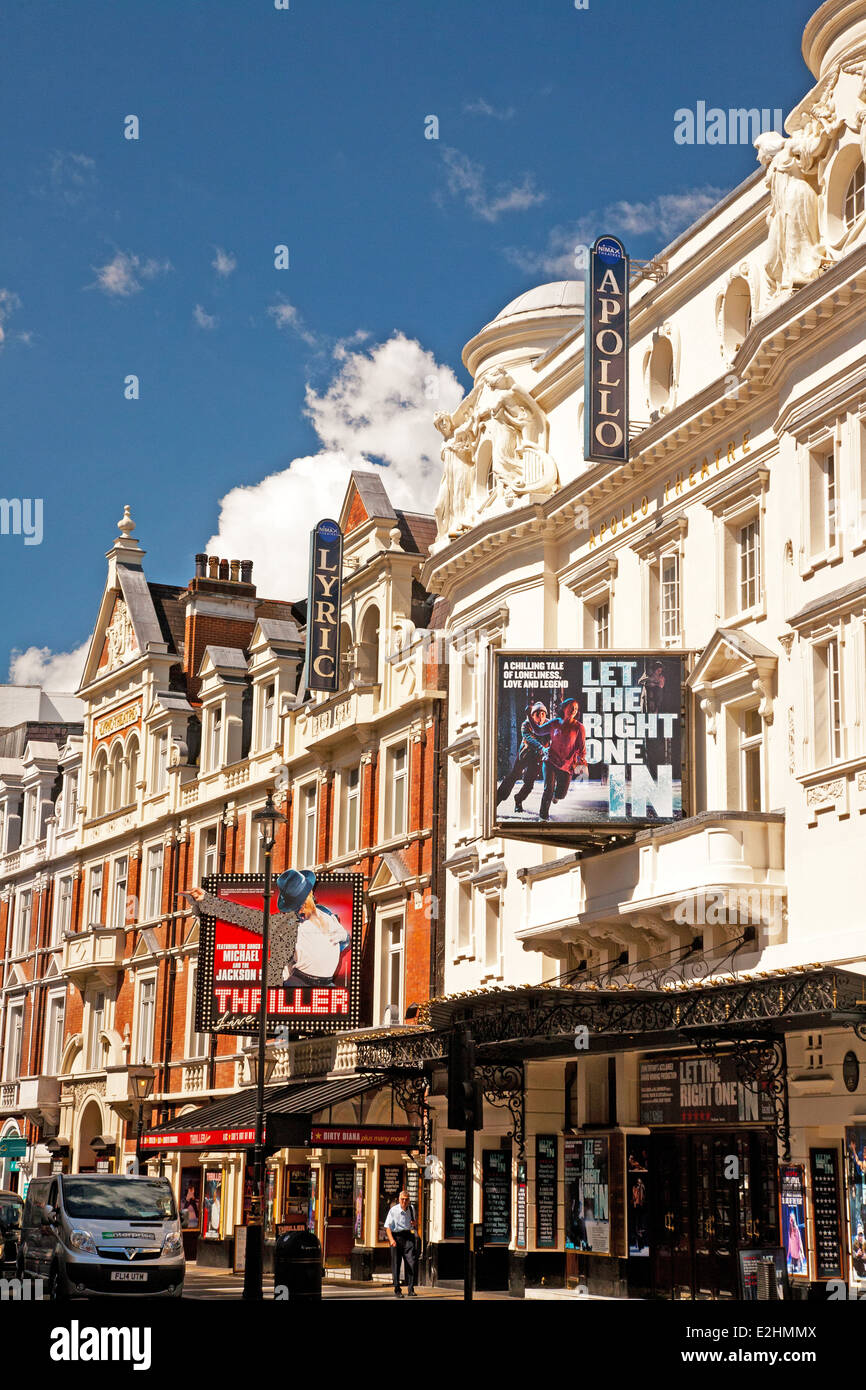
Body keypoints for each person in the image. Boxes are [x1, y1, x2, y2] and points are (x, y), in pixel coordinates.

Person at [535, 698, 588, 821]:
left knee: (561, 794)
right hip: (550, 761)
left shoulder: (579, 727)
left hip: (566, 765)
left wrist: (581, 766)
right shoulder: (554, 723)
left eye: (576, 708)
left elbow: (582, 749)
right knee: (548, 790)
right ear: (564, 708)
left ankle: (556, 796)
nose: (574, 710)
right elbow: (538, 731)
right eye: (571, 707)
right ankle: (543, 817)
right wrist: (528, 715)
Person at [496, 701, 551, 812]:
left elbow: (554, 737)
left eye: (543, 714)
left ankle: (519, 799)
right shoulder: (526, 724)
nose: (540, 717)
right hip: (525, 755)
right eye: (537, 714)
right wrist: (542, 748)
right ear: (532, 715)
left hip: (537, 758)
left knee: (529, 783)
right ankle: (497, 799)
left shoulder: (549, 724)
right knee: (513, 776)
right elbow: (530, 739)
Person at [384, 1189, 418, 1297]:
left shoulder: (412, 1209)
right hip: (396, 1238)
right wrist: (392, 1240)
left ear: (409, 1200)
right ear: (399, 1200)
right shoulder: (393, 1210)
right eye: (402, 1199)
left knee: (411, 1263)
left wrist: (415, 1223)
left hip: (408, 1237)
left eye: (406, 1199)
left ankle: (411, 1288)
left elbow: (415, 1224)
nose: (404, 1201)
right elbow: (387, 1227)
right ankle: (397, 1289)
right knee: (396, 1264)